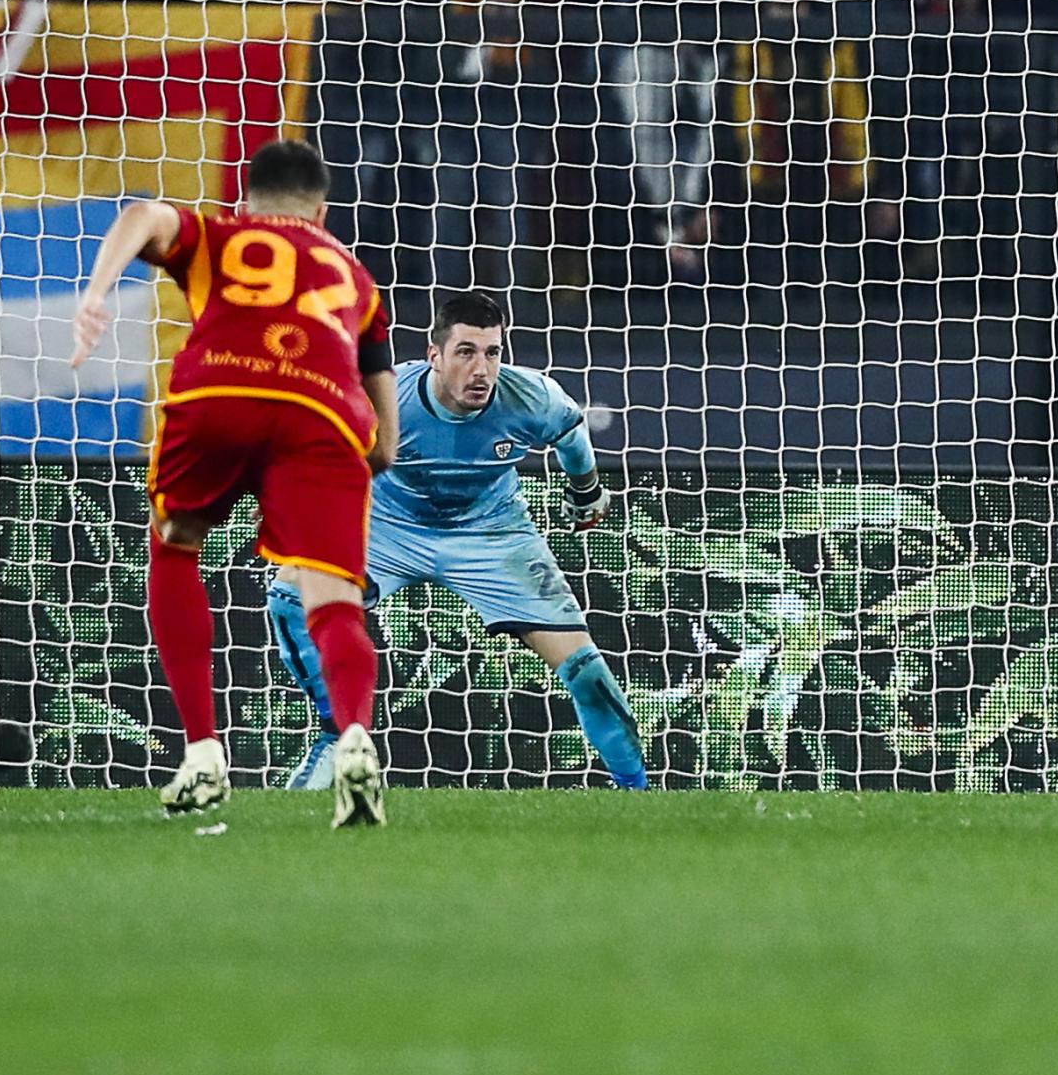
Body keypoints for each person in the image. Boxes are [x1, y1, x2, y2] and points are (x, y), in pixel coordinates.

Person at [63, 137, 399, 827]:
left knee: (176, 541)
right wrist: (360, 456)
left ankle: (203, 753)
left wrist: (97, 293)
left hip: (221, 386)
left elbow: (143, 215)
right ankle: (357, 739)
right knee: (332, 596)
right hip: (325, 410)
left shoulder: (219, 233)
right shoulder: (357, 278)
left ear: (245, 198)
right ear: (323, 209)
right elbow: (385, 429)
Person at [265, 291, 648, 792]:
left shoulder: (530, 397)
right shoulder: (387, 397)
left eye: (492, 352)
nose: (482, 369)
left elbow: (572, 432)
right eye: (466, 352)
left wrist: (587, 492)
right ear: (435, 356)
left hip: (491, 533)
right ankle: (336, 734)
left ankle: (638, 794)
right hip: (389, 526)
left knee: (588, 673)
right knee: (290, 593)